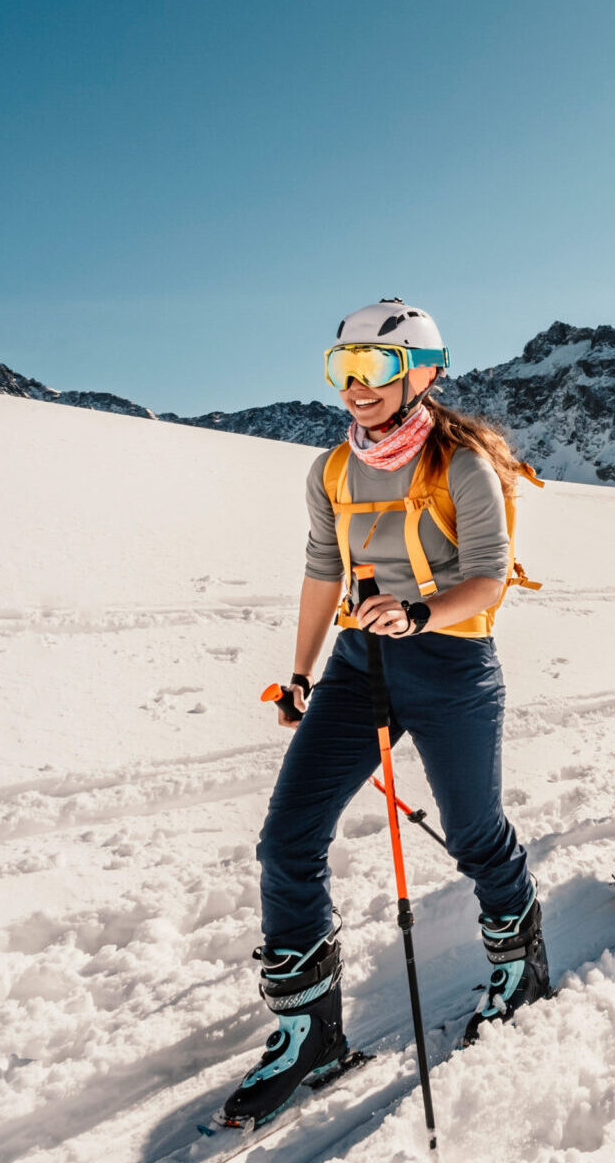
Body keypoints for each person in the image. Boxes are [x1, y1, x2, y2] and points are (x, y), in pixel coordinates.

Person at [223, 300, 549, 1128]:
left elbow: (490, 577)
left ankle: (522, 960)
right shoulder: (332, 470)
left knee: (475, 832)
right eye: (343, 369)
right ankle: (311, 1034)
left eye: (374, 369)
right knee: (287, 838)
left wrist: (417, 612)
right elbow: (322, 571)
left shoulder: (461, 467)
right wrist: (299, 674)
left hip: (450, 661)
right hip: (360, 661)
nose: (356, 387)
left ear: (423, 373)